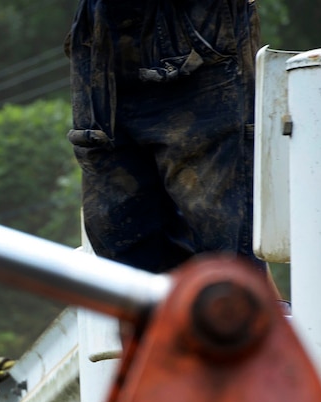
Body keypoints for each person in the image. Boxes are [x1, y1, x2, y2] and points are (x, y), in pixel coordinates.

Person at [66, 0, 267, 276]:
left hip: (191, 31)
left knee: (226, 255)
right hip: (101, 37)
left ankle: (250, 311)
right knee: (124, 256)